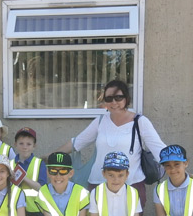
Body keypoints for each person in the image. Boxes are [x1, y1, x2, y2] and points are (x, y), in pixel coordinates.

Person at [55, 80, 165, 208]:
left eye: (118, 97)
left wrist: (179, 167)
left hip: (131, 185)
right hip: (99, 184)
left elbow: (159, 149)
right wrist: (50, 156)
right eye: (109, 98)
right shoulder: (101, 121)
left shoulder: (140, 122)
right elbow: (77, 142)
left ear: (126, 98)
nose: (114, 102)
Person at [11, 127, 47, 216]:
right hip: (13, 208)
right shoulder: (10, 164)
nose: (24, 147)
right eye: (21, 143)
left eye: (28, 144)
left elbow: (41, 188)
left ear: (34, 146)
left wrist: (23, 177)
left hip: (33, 210)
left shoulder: (39, 163)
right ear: (15, 144)